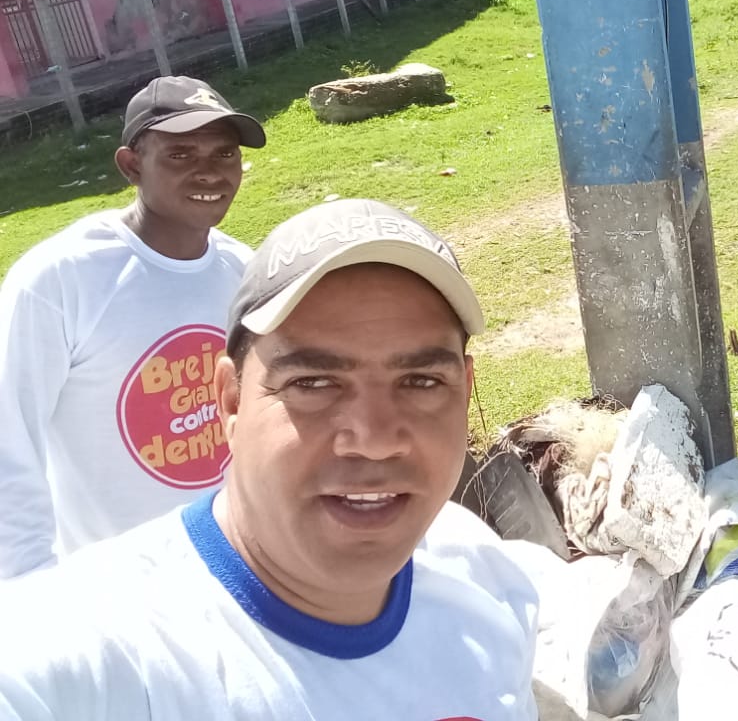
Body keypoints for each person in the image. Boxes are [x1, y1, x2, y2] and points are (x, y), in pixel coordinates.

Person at [0, 199, 539, 719]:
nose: (374, 439)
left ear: (465, 391)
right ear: (231, 402)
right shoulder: (85, 652)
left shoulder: (492, 594)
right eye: (313, 383)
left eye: (421, 381)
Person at [0, 75, 266, 579]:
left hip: (234, 571)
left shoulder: (244, 271)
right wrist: (29, 586)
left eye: (225, 154)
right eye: (180, 155)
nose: (210, 172)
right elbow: (9, 438)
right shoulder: (61, 279)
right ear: (131, 166)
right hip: (117, 590)